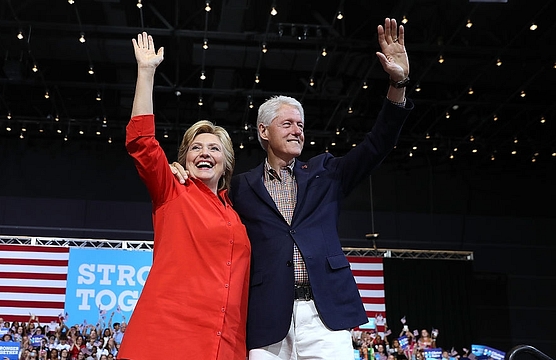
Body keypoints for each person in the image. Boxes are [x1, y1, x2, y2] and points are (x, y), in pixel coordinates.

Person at [171, 18, 412, 360]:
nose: (297, 131)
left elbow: (378, 144)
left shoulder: (326, 172)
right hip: (268, 320)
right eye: (287, 124)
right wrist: (180, 171)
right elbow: (205, 208)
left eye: (300, 125)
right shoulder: (241, 188)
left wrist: (398, 83)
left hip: (324, 316)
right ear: (264, 131)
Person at [116, 32, 251, 359]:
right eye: (195, 147)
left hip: (226, 343)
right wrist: (146, 73)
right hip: (167, 336)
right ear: (185, 157)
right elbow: (142, 144)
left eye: (214, 148)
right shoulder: (172, 189)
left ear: (226, 162)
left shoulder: (237, 213)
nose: (204, 153)